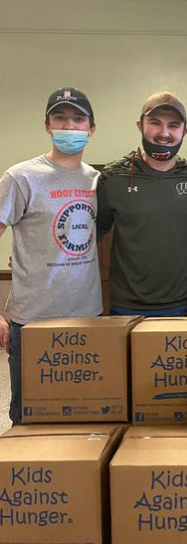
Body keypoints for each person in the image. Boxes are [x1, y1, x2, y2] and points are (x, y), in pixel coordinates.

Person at [0, 87, 102, 425]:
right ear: (47, 125)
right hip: (33, 321)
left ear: (91, 128)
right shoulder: (21, 177)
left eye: (77, 119)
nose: (69, 126)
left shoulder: (97, 181)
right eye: (60, 118)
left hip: (87, 318)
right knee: (29, 422)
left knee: (83, 420)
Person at [96, 92, 187, 317]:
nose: (164, 133)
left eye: (173, 125)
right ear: (140, 125)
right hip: (125, 307)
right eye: (155, 123)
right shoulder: (113, 177)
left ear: (184, 131)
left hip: (182, 305)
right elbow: (87, 235)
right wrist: (41, 255)